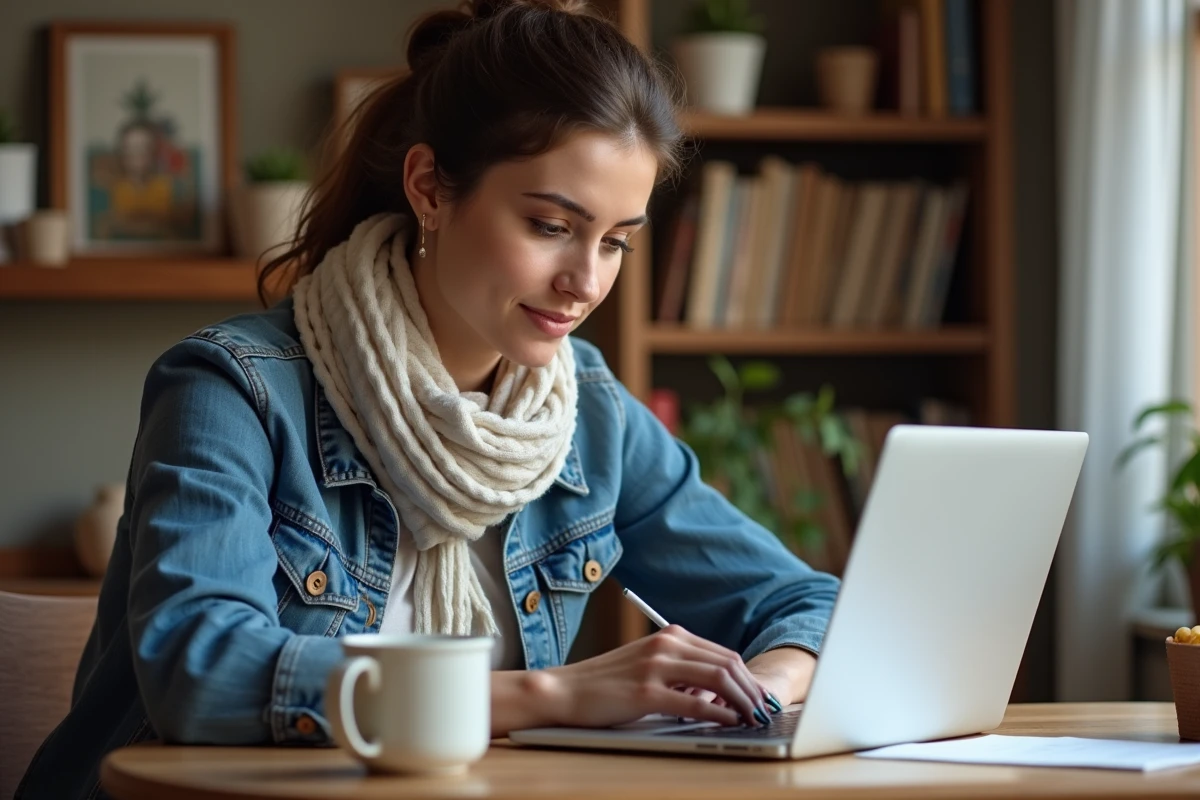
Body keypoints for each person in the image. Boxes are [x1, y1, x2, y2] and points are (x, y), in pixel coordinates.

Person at [18, 1, 838, 797]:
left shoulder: (586, 410)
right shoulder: (233, 388)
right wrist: (556, 698)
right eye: (551, 225)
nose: (586, 282)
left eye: (616, 241)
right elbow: (202, 670)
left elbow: (808, 603)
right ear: (431, 189)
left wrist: (761, 686)